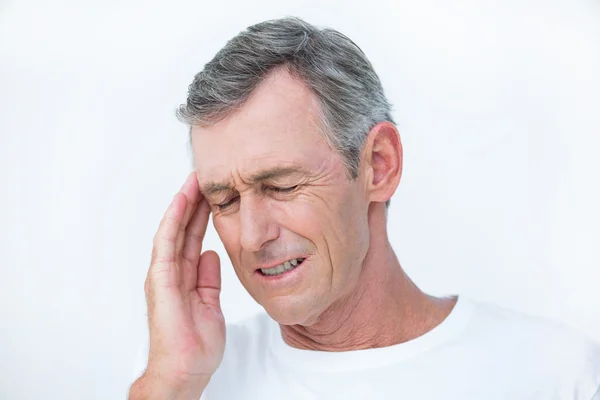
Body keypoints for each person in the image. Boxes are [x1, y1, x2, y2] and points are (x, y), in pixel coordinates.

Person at [128, 17, 600, 400]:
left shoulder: (552, 373)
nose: (252, 237)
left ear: (379, 165)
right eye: (225, 200)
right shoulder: (187, 379)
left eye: (282, 185)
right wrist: (171, 383)